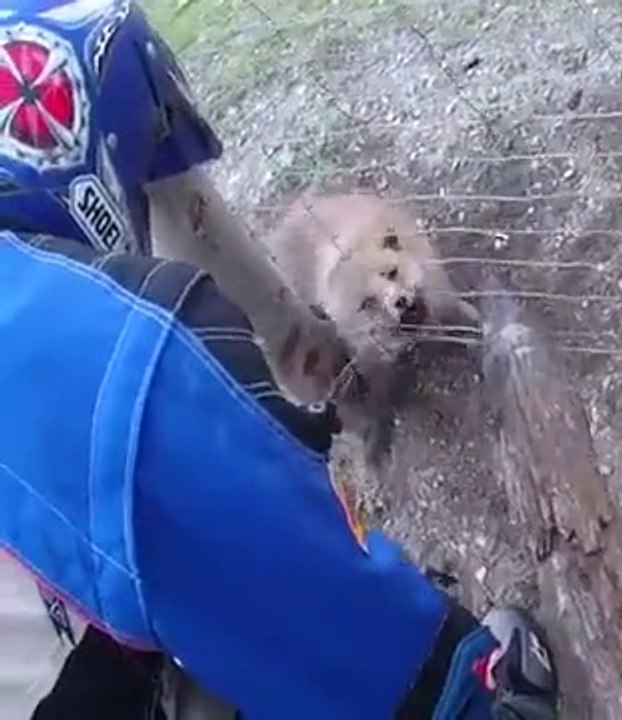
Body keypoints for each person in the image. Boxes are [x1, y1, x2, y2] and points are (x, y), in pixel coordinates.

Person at [0, 1, 559, 718]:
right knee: (244, 560)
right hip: (73, 668)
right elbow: (279, 570)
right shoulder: (87, 359)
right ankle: (478, 702)